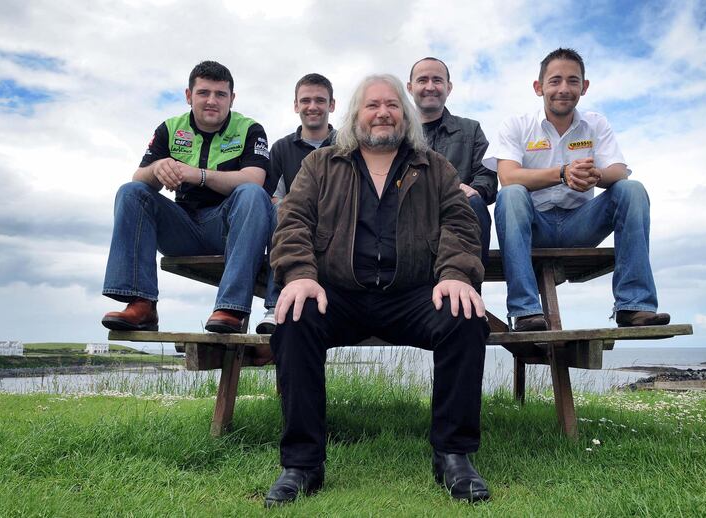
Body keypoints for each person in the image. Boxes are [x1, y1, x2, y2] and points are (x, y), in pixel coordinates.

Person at [265, 74, 490, 506]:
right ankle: (302, 463)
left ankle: (453, 455)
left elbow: (461, 225)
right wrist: (300, 275)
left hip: (412, 294)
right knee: (294, 319)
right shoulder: (321, 165)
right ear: (355, 115)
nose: (382, 112)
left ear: (404, 116)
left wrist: (456, 276)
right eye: (372, 105)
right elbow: (292, 221)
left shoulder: (435, 167)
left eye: (391, 105)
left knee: (464, 316)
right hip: (339, 293)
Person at [483, 48, 670, 331]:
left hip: (581, 224)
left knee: (632, 190)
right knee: (511, 195)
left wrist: (595, 175)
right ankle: (526, 312)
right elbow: (507, 176)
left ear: (584, 87)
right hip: (535, 226)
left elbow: (619, 170)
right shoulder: (517, 125)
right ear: (539, 87)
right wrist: (562, 174)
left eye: (573, 81)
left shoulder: (596, 123)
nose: (564, 89)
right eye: (555, 80)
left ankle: (634, 306)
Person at [101, 61, 273, 334]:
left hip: (227, 230)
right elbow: (139, 179)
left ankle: (231, 308)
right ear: (188, 95)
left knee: (252, 194)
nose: (212, 101)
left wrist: (198, 175)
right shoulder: (170, 129)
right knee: (130, 191)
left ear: (232, 98)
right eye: (204, 93)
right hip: (182, 229)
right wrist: (156, 169)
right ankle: (141, 303)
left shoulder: (250, 129)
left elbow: (255, 179)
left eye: (220, 94)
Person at [255, 73, 337, 334]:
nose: (312, 106)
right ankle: (274, 303)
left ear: (331, 105)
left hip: (338, 226)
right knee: (281, 210)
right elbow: (271, 196)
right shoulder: (280, 149)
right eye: (305, 100)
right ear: (295, 105)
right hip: (296, 228)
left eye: (320, 100)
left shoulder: (349, 145)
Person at [407, 57, 496, 266]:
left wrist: (476, 190)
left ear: (449, 87)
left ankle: (471, 290)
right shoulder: (397, 135)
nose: (430, 87)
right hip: (408, 221)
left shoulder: (471, 130)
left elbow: (488, 177)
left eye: (437, 80)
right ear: (410, 88)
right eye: (423, 80)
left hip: (458, 217)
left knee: (475, 203)